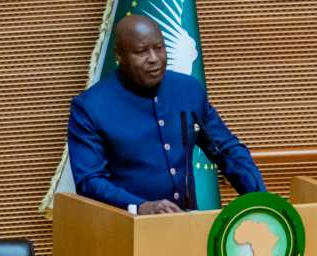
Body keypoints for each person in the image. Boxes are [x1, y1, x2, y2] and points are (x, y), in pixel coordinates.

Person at [68, 14, 264, 214]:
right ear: (119, 56)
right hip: (127, 230)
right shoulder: (91, 107)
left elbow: (226, 149)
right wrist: (139, 207)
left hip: (185, 224)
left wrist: (260, 199)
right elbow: (89, 181)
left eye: (159, 48)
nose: (153, 59)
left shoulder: (187, 90)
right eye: (141, 51)